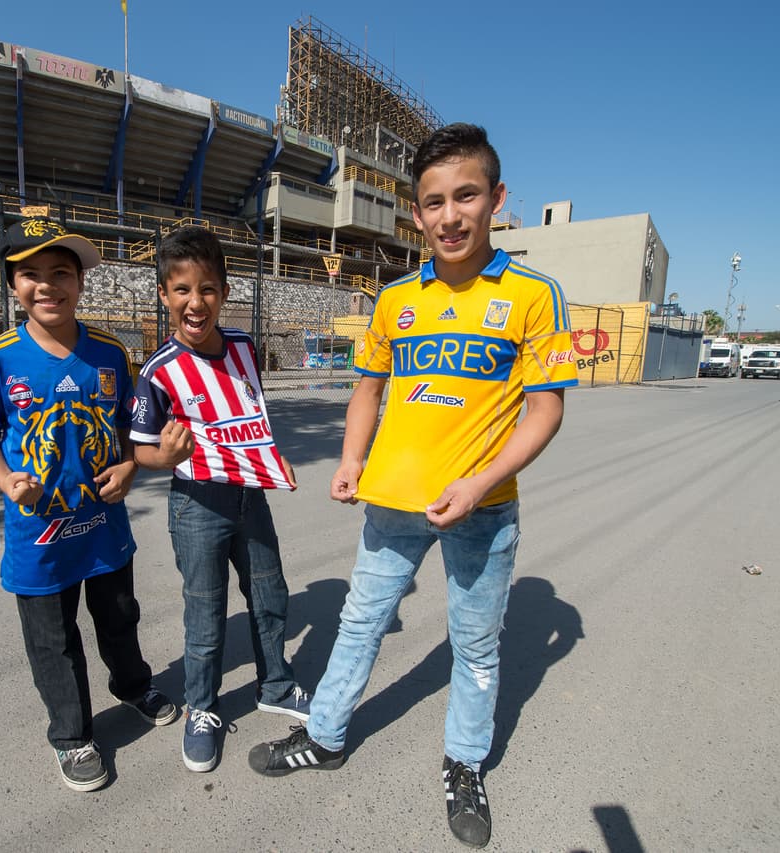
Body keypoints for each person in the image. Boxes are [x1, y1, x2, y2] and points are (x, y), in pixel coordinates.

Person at [247, 124, 578, 849]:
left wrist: (479, 481)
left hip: (482, 511)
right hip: (393, 504)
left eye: (466, 195)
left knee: (476, 643)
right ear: (417, 213)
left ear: (496, 198)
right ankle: (326, 735)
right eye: (434, 202)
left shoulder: (533, 296)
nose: (450, 215)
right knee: (360, 622)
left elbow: (546, 409)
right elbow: (368, 388)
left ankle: (464, 763)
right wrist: (349, 459)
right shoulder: (396, 298)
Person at [0, 217, 178, 793]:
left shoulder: (110, 354)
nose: (47, 285)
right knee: (52, 639)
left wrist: (132, 465)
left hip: (104, 526)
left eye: (61, 272)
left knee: (120, 619)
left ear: (81, 282)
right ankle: (72, 734)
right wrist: (8, 481)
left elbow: (137, 428)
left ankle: (132, 687)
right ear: (13, 285)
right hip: (39, 535)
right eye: (30, 274)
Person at [131, 225, 312, 773]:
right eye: (182, 290)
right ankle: (203, 710)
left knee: (270, 593)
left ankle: (276, 687)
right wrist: (165, 456)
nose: (196, 302)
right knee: (205, 615)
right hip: (197, 506)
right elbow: (141, 454)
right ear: (165, 295)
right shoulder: (158, 374)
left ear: (225, 292)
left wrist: (272, 458)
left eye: (208, 289)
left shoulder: (241, 348)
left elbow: (251, 417)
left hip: (249, 497)